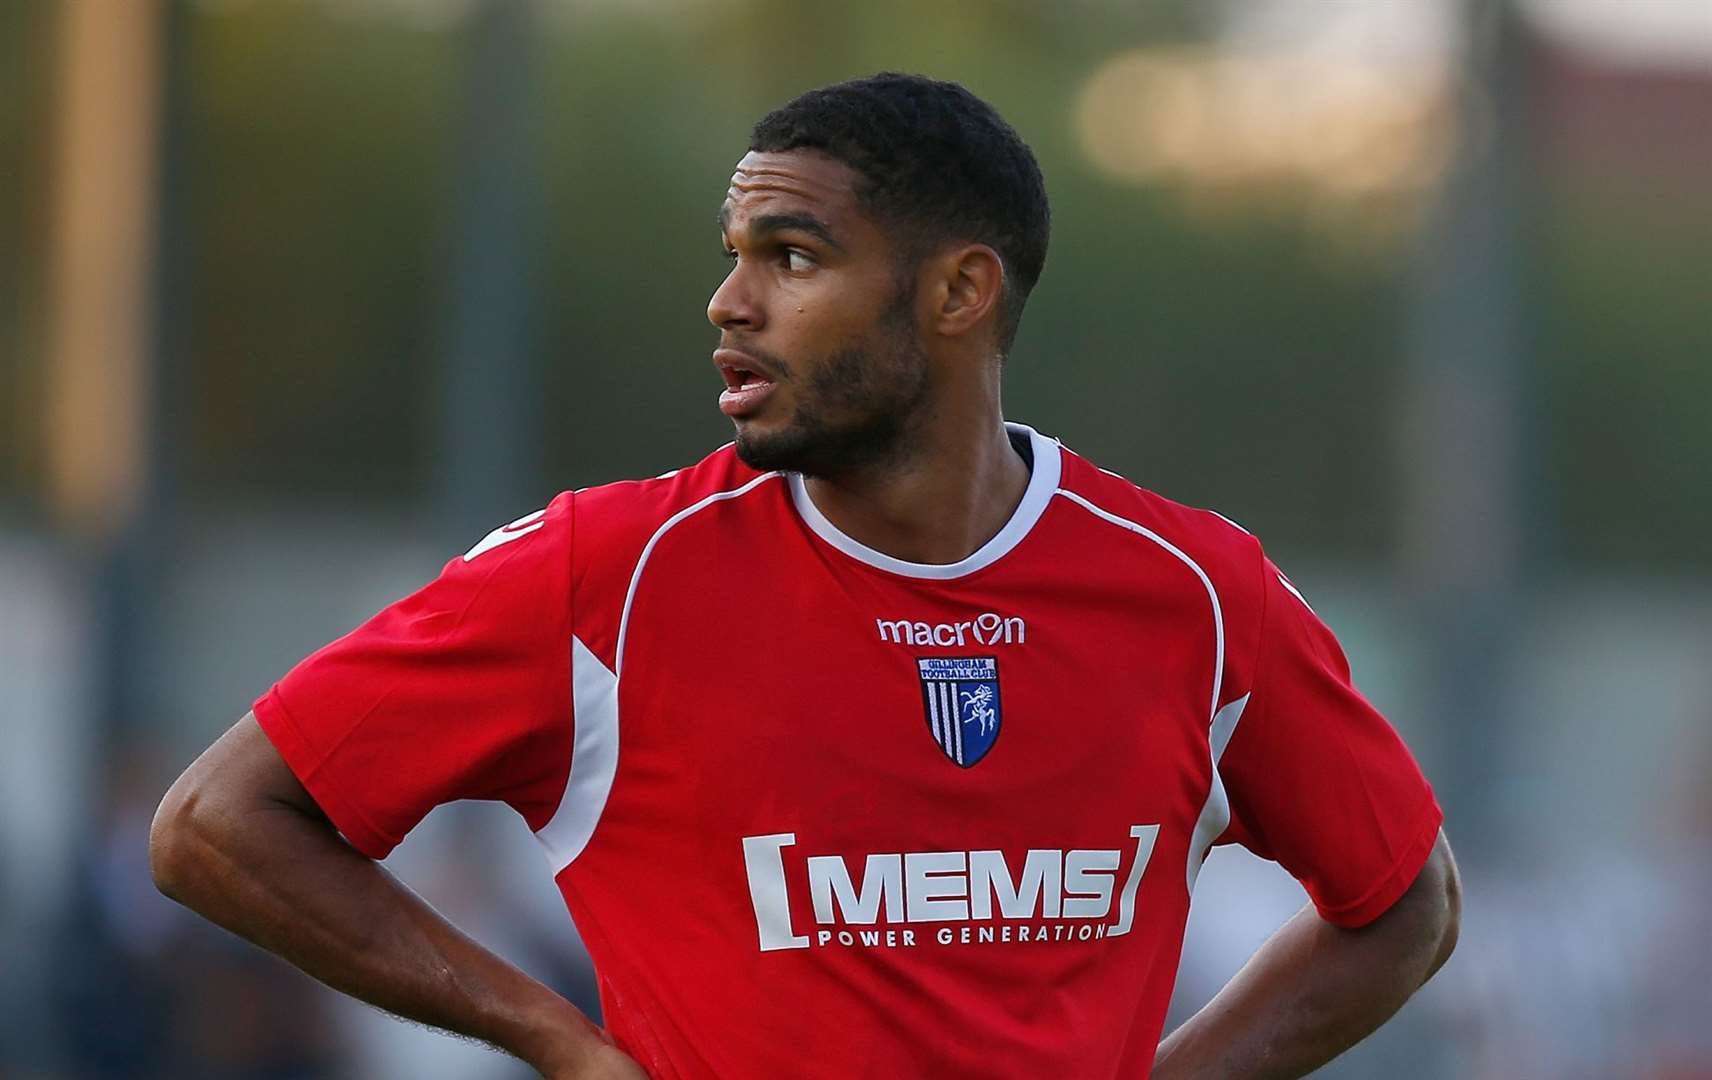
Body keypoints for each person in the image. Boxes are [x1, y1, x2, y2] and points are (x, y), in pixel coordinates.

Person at [150, 72, 1460, 1079]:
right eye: (733, 253)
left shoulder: (1194, 592)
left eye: (790, 256)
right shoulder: (608, 575)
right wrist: (563, 1043)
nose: (729, 301)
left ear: (958, 292)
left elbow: (1405, 903)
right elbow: (216, 825)